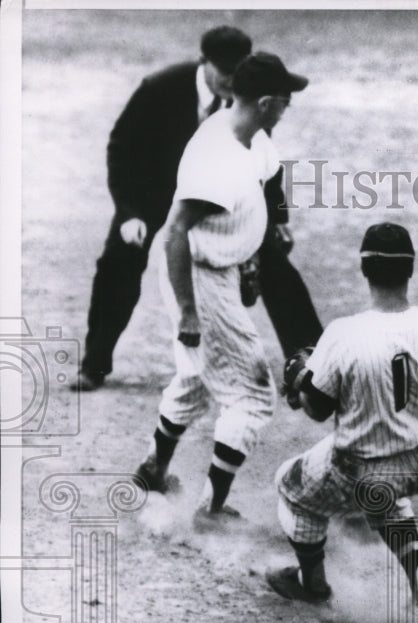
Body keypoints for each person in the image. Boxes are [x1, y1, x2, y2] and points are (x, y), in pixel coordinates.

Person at [74, 26, 321, 391]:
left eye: (237, 74)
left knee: (272, 259)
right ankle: (94, 363)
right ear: (203, 62)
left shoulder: (248, 95)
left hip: (217, 194)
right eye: (224, 73)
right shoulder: (159, 88)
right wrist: (128, 213)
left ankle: (312, 364)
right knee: (119, 261)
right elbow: (120, 149)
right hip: (154, 193)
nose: (230, 82)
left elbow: (265, 160)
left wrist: (278, 218)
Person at [266, 222, 418, 607]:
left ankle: (312, 584)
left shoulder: (343, 333)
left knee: (291, 487)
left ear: (365, 270)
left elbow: (317, 410)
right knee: (387, 499)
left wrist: (300, 378)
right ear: (410, 270)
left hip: (362, 468)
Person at [133, 52, 309, 530]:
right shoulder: (215, 159)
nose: (288, 107)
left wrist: (254, 252)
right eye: (285, 100)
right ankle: (212, 511)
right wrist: (190, 314)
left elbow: (266, 181)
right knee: (252, 394)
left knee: (197, 377)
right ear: (268, 103)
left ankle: (153, 471)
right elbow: (172, 234)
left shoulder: (251, 136)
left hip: (223, 269)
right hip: (199, 277)